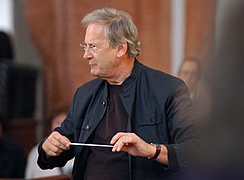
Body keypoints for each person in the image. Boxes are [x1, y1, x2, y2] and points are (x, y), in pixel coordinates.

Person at [37, 7, 200, 179]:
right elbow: (59, 148)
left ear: (121, 48)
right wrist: (48, 148)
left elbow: (196, 150)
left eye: (93, 47)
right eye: (85, 46)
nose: (86, 55)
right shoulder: (84, 94)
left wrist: (152, 150)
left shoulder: (169, 89)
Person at [25, 104, 74, 179]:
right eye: (57, 122)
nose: (61, 127)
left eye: (65, 124)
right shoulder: (36, 152)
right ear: (51, 126)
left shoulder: (77, 150)